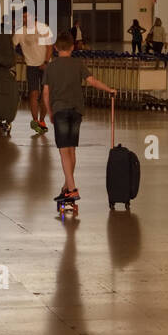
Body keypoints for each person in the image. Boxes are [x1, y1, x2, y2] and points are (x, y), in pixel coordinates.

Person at [42, 31, 117, 205]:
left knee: (63, 151)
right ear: (73, 47)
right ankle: (66, 188)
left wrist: (49, 112)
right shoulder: (78, 64)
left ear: (55, 48)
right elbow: (92, 81)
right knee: (72, 150)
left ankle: (73, 189)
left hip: (59, 111)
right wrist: (109, 90)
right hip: (76, 112)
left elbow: (46, 93)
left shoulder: (51, 67)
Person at [14, 6, 54, 134]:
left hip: (46, 65)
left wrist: (46, 62)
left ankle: (42, 119)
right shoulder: (20, 32)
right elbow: (11, 46)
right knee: (33, 93)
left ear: (34, 16)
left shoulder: (43, 28)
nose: (25, 19)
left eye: (27, 16)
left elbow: (49, 47)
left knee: (45, 95)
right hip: (31, 66)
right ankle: (35, 120)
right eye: (23, 17)